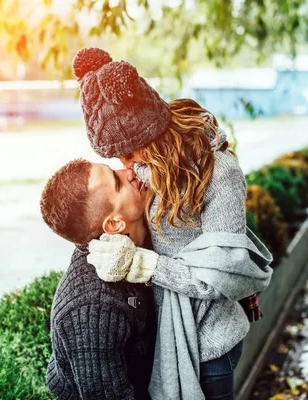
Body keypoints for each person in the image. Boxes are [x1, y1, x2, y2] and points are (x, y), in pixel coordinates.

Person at [72, 47, 274, 400]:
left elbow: (219, 277)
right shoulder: (148, 171)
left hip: (210, 348)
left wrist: (142, 265)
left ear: (148, 134)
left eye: (128, 153)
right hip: (166, 336)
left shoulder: (218, 173)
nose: (125, 164)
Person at [40, 159, 157, 400]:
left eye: (114, 169)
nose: (130, 172)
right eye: (118, 182)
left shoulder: (134, 242)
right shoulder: (94, 308)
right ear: (114, 223)